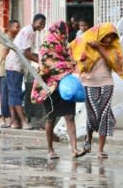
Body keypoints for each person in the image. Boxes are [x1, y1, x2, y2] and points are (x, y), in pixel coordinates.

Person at [70, 23, 123, 159]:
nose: (109, 40)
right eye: (106, 36)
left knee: (103, 114)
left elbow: (115, 64)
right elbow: (73, 53)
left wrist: (100, 48)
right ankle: (88, 140)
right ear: (100, 34)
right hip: (88, 83)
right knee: (92, 115)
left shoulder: (113, 49)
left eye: (111, 37)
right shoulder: (87, 43)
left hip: (107, 83)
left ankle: (100, 150)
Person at [35, 21, 87, 159]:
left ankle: (74, 149)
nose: (64, 36)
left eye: (65, 33)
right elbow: (46, 65)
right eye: (61, 33)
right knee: (51, 118)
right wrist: (67, 65)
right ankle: (50, 149)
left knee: (70, 116)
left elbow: (71, 61)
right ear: (55, 32)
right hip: (50, 87)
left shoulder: (65, 45)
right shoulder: (46, 45)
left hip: (66, 86)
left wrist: (71, 65)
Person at [5, 13, 46, 129]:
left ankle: (14, 121)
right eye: (40, 24)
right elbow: (26, 53)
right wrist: (40, 61)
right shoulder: (28, 32)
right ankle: (23, 122)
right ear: (34, 21)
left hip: (16, 66)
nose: (41, 27)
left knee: (13, 94)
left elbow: (29, 52)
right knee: (15, 94)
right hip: (15, 66)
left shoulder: (30, 31)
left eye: (43, 25)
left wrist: (40, 58)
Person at [0, 19, 21, 128]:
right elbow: (3, 55)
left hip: (12, 69)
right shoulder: (6, 39)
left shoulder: (15, 39)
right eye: (16, 27)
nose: (18, 29)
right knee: (5, 95)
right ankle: (2, 118)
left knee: (10, 94)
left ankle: (12, 118)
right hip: (5, 70)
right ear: (10, 28)